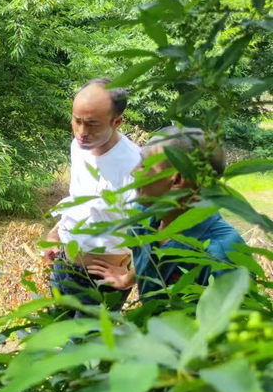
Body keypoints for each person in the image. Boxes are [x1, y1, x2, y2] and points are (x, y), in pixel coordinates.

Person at [86, 127, 245, 299]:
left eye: (144, 165)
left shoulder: (223, 258)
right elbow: (150, 258)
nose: (134, 172)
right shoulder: (144, 217)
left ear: (176, 180)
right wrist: (127, 278)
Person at [44, 78, 142, 308]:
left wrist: (129, 277)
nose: (81, 132)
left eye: (92, 124)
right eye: (76, 121)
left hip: (102, 282)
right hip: (64, 267)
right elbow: (81, 198)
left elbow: (157, 231)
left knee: (85, 344)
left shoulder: (136, 166)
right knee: (55, 335)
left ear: (117, 121)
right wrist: (57, 233)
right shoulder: (78, 147)